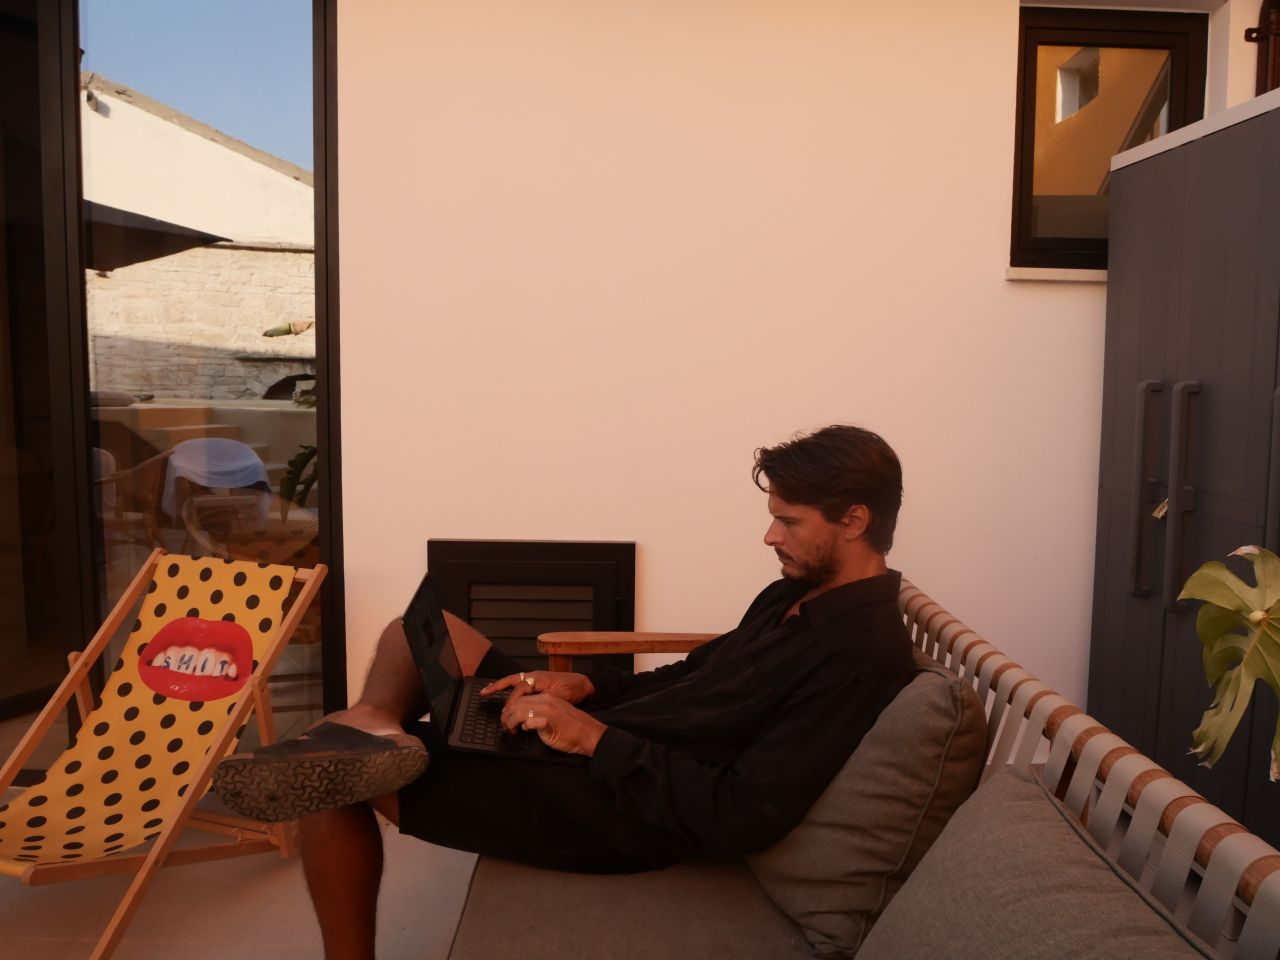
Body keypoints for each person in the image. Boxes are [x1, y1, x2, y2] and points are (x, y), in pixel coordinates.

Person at [213, 424, 915, 960]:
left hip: (616, 811)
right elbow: (695, 678)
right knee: (425, 629)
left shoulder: (861, 654)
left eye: (789, 521)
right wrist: (585, 684)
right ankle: (374, 721)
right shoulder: (793, 596)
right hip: (592, 746)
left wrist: (591, 737)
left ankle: (368, 743)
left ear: (853, 520)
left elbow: (743, 812)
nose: (770, 536)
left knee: (327, 781)